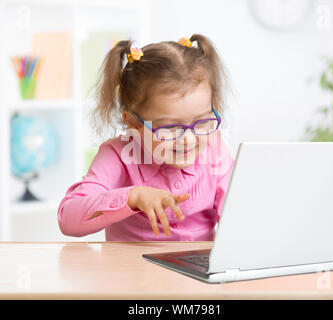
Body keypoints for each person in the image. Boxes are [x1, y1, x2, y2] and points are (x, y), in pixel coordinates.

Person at [57, 34, 235, 241]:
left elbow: (237, 218)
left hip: (195, 271)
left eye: (202, 122)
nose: (188, 139)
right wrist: (133, 197)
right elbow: (68, 218)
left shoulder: (214, 149)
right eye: (170, 127)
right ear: (133, 122)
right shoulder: (118, 155)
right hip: (131, 271)